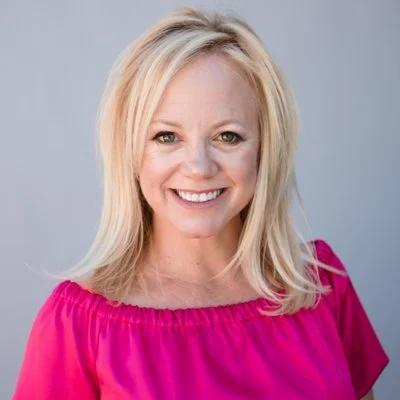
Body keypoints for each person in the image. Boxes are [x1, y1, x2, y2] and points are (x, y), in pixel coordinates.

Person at [13, 7, 389, 400]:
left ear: (265, 148)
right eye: (166, 136)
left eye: (228, 136)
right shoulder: (79, 325)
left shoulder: (320, 285)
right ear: (130, 152)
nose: (199, 167)